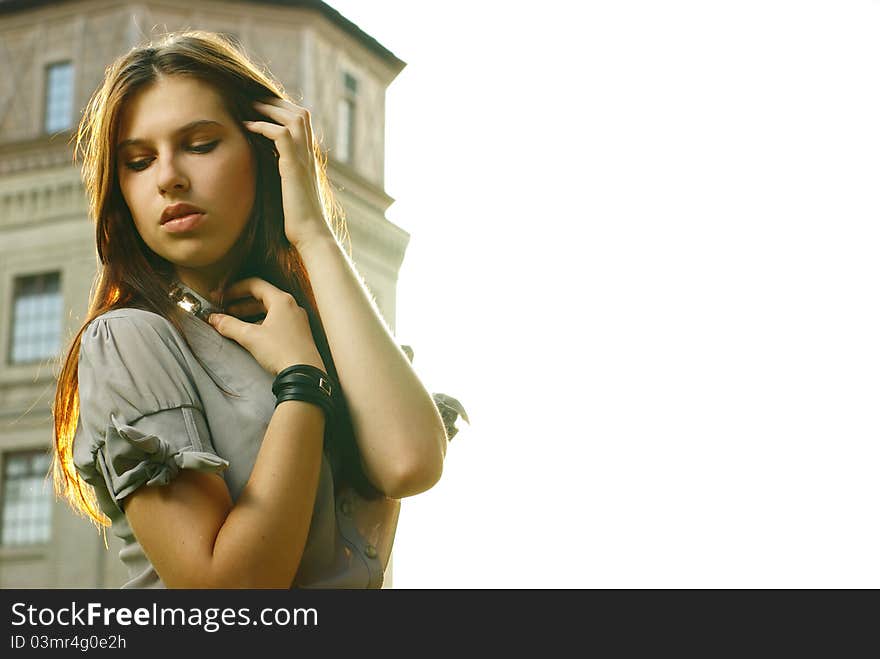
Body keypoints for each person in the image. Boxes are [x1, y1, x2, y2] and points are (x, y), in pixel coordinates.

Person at [51, 30, 450, 589]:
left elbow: (410, 462)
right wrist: (301, 385)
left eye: (199, 144)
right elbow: (226, 592)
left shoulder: (309, 324)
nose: (168, 178)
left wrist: (313, 232)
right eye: (139, 161)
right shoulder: (131, 340)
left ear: (264, 154)